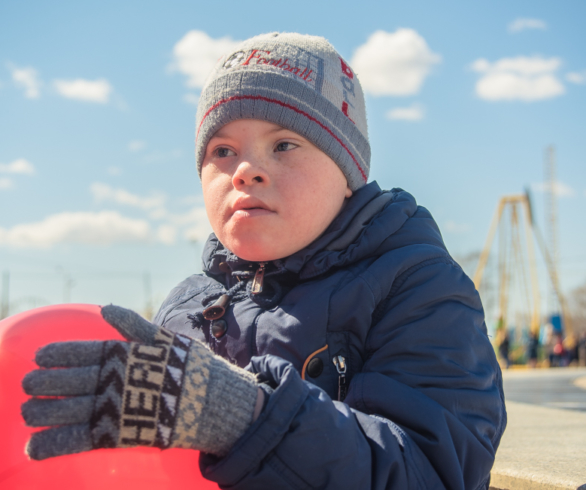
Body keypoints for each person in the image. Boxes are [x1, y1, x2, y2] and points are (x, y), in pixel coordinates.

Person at [21, 33, 506, 489]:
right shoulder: (186, 308)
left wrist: (248, 416)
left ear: (348, 172)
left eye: (284, 144)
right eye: (223, 150)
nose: (246, 171)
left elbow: (434, 471)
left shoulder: (417, 288)